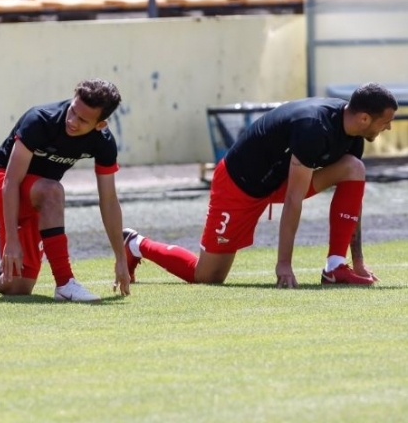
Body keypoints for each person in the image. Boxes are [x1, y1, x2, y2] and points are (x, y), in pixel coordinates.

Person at [123, 82, 397, 288]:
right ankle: (135, 244)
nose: (388, 128)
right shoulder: (314, 127)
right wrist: (284, 264)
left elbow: (353, 199)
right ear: (364, 118)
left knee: (354, 169)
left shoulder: (353, 138)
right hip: (239, 185)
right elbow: (294, 200)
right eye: (386, 122)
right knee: (207, 277)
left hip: (279, 180)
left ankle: (335, 266)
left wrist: (358, 260)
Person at [0, 78, 131, 302]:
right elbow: (10, 181)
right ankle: (65, 283)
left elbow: (109, 200)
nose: (72, 121)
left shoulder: (103, 142)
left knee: (16, 286)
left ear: (100, 125)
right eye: (73, 110)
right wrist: (12, 239)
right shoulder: (40, 120)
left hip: (36, 202)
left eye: (83, 120)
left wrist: (120, 258)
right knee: (53, 190)